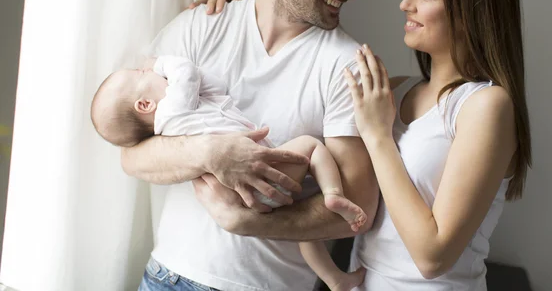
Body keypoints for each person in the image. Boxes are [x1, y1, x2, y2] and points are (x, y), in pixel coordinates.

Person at [197, 0, 532, 290]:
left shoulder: (485, 106)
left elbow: (433, 256)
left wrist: (377, 136)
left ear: (470, 11)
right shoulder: (393, 90)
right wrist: (242, 12)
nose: (406, 4)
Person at [119, 0, 379, 290]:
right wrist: (210, 153)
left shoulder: (347, 66)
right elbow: (133, 159)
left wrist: (251, 222)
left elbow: (358, 204)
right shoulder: (202, 25)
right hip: (167, 278)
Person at [91, 55, 367, 290]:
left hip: (237, 197)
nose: (149, 70)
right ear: (145, 105)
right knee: (311, 146)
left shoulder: (178, 124)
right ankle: (332, 194)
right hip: (262, 178)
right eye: (142, 73)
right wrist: (161, 62)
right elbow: (186, 73)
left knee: (304, 236)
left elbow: (213, 85)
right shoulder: (173, 109)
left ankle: (334, 279)